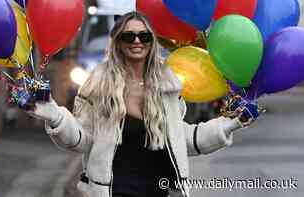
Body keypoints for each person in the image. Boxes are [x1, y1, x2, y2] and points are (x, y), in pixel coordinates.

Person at [27, 11, 257, 197]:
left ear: (152, 42)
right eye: (129, 36)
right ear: (117, 42)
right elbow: (83, 139)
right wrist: (56, 116)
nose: (137, 41)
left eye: (144, 36)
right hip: (113, 191)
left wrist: (228, 125)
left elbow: (180, 139)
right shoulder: (99, 83)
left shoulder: (167, 84)